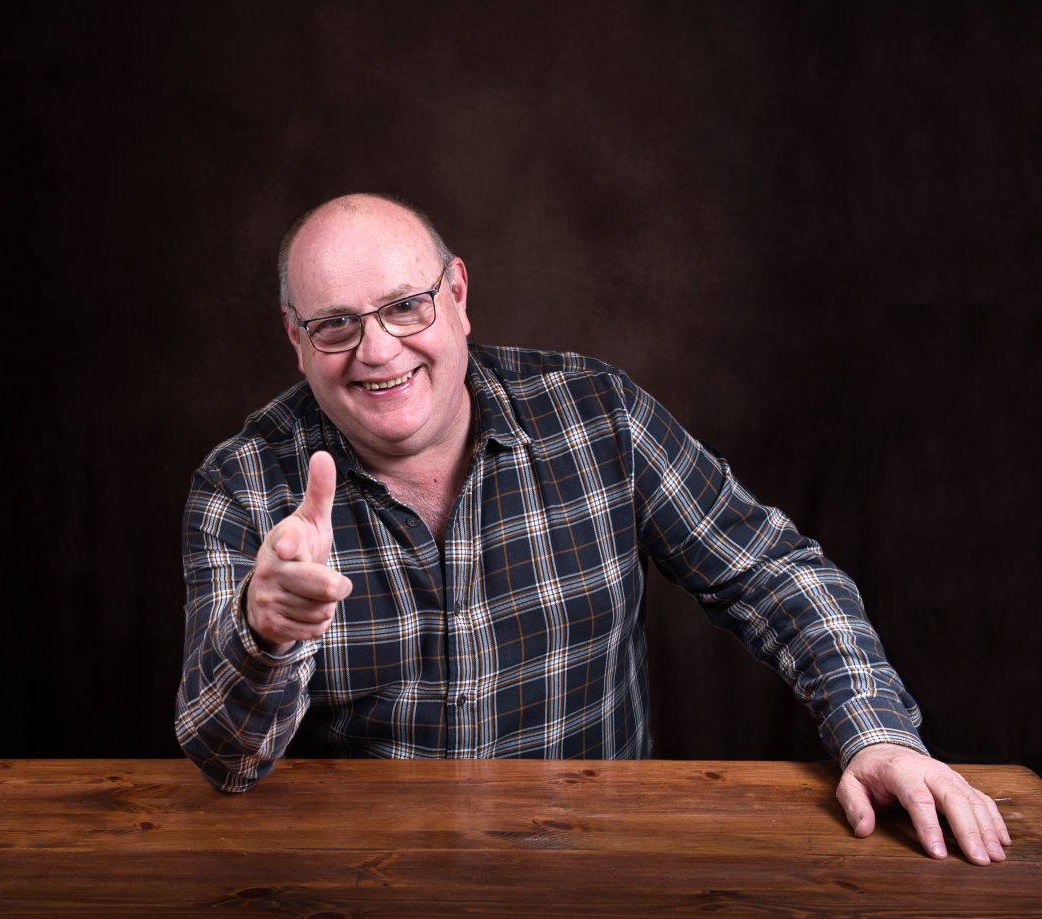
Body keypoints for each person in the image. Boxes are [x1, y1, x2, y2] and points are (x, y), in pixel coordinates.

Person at [175, 192, 1010, 865]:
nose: (378, 349)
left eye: (405, 306)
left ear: (459, 297)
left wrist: (877, 733)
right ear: (297, 337)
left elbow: (772, 572)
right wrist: (264, 632)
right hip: (359, 882)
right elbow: (225, 758)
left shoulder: (598, 416)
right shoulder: (241, 483)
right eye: (336, 325)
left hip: (597, 872)